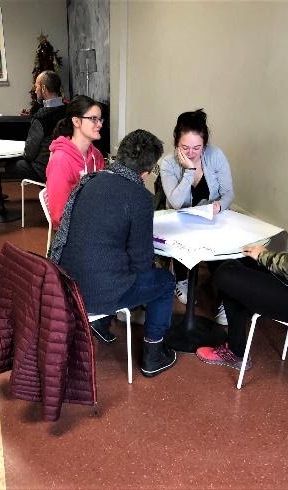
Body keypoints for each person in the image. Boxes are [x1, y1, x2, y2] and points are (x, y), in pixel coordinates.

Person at [196, 138, 288, 370]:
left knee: (226, 275)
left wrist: (263, 255)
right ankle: (236, 349)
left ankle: (236, 352)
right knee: (234, 264)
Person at [49, 129, 177, 378]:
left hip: (64, 282)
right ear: (146, 171)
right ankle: (153, 355)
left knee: (103, 261)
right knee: (165, 282)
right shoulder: (140, 198)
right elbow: (141, 262)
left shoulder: (90, 180)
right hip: (96, 294)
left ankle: (101, 323)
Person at [160, 109, 234, 309]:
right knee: (182, 240)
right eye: (185, 147)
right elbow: (176, 203)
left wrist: (219, 206)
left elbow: (228, 193)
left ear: (205, 144)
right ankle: (181, 280)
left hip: (211, 219)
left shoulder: (215, 155)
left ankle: (226, 296)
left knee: (219, 254)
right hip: (180, 221)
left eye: (197, 147)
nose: (191, 153)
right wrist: (189, 171)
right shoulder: (168, 163)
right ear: (176, 142)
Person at [45, 95, 105, 229]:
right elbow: (59, 216)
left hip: (95, 219)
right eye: (93, 119)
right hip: (72, 230)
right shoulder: (61, 161)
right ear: (76, 121)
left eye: (100, 119)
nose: (100, 124)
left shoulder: (96, 155)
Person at [5, 71, 66, 183]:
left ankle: (47, 188)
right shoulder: (69, 111)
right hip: (66, 167)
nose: (35, 90)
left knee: (10, 166)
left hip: (45, 169)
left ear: (43, 88)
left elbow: (29, 154)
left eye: (36, 86)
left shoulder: (41, 117)